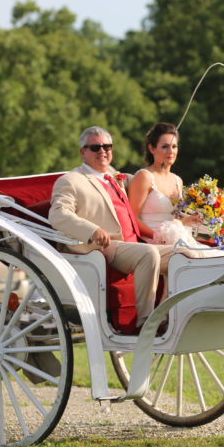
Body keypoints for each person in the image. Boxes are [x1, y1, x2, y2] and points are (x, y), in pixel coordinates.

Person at [49, 126, 161, 330]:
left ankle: (171, 315)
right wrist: (91, 230)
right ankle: (147, 322)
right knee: (149, 254)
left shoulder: (117, 177)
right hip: (104, 247)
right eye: (95, 147)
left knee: (182, 254)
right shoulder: (71, 180)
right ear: (82, 152)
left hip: (133, 244)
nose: (102, 151)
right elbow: (58, 215)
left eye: (107, 146)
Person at [127, 122, 224, 279]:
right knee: (189, 257)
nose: (170, 151)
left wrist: (189, 220)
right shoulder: (144, 177)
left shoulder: (177, 180)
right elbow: (132, 217)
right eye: (165, 146)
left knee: (220, 256)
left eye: (174, 146)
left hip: (176, 236)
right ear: (152, 148)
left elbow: (173, 218)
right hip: (151, 241)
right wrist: (157, 236)